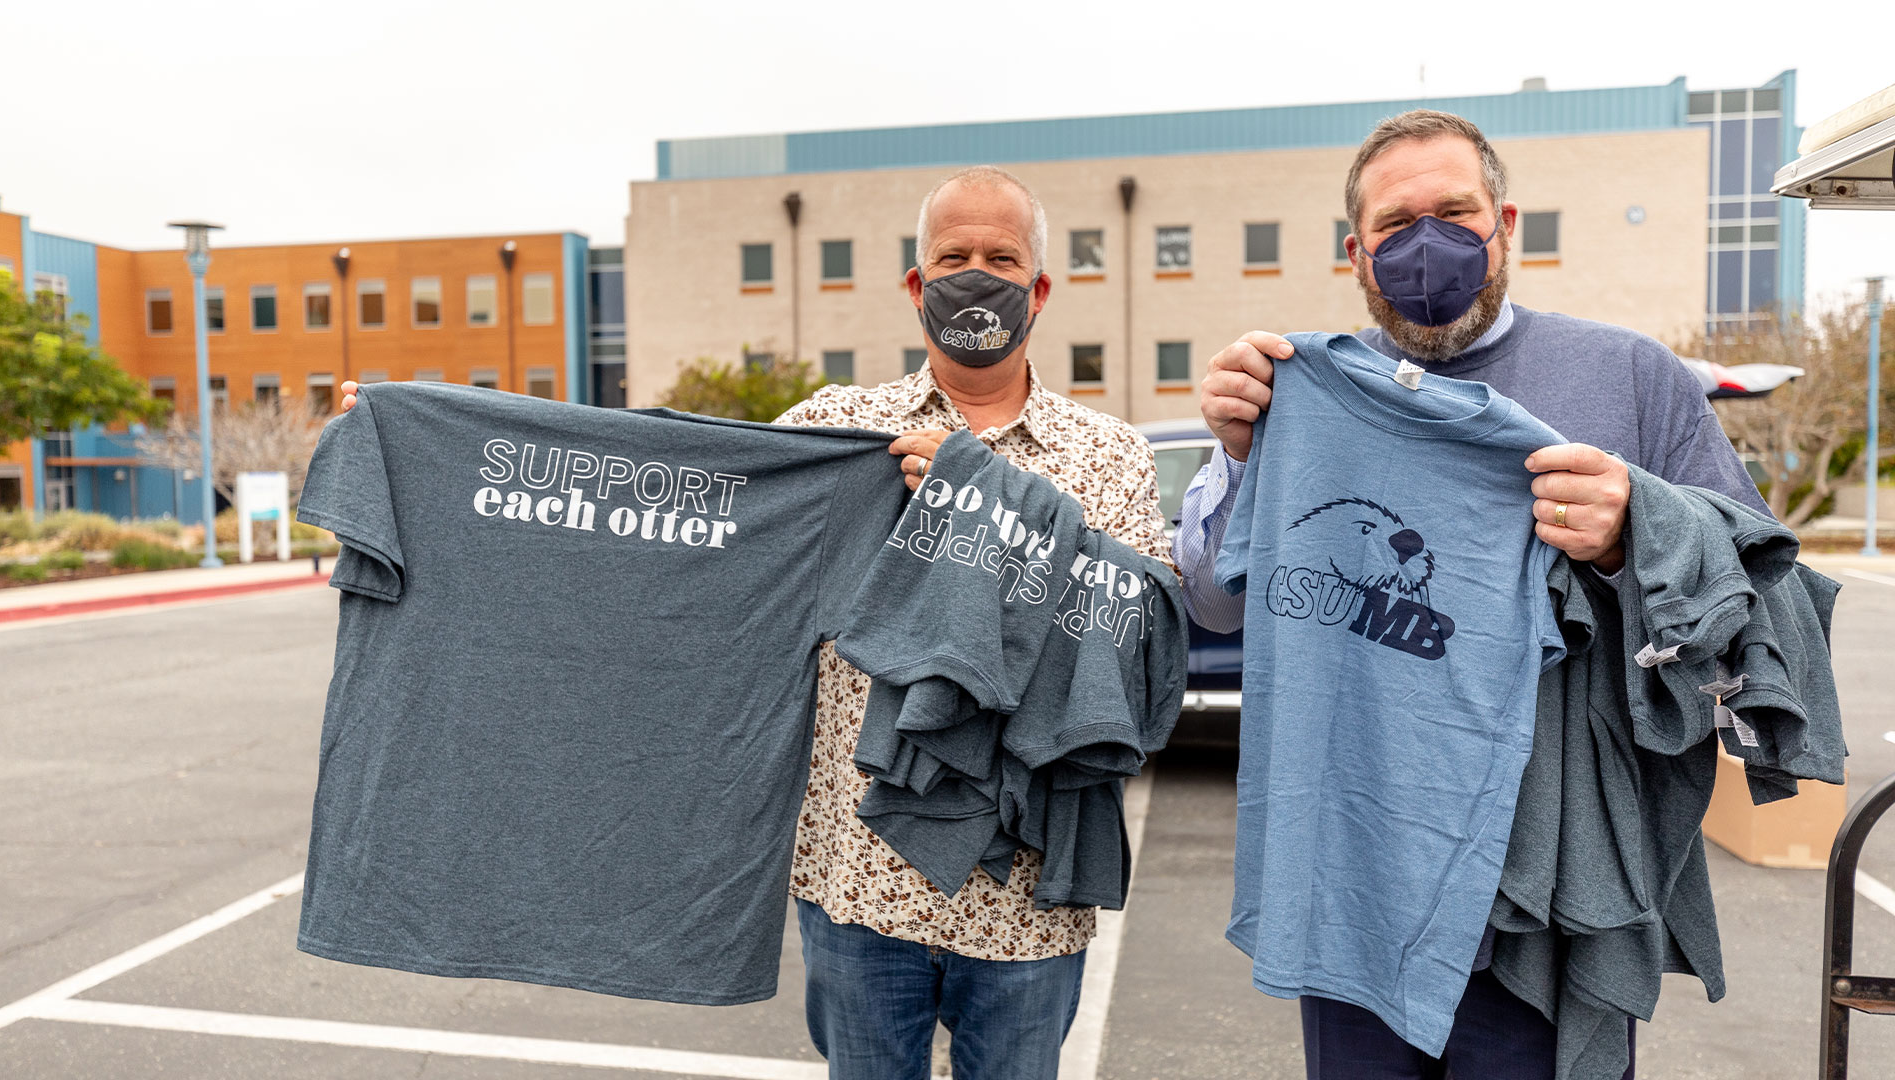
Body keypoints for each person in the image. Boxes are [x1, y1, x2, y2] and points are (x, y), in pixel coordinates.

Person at [340, 165, 1168, 1080]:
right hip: (858, 883)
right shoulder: (836, 431)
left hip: (1027, 890)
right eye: (953, 257)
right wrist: (417, 447)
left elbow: (1131, 643)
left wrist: (982, 505)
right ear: (916, 285)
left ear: (1040, 288)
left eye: (1002, 257)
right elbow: (684, 517)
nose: (977, 274)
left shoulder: (1111, 456)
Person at [1173, 110, 1765, 1079]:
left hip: (1545, 892)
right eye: (1397, 225)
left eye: (1455, 211)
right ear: (1355, 253)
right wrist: (1240, 462)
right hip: (1356, 878)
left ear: (1506, 223)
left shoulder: (1633, 379)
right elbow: (1211, 603)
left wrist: (1633, 535)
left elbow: (1750, 597)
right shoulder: (1298, 396)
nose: (1428, 243)